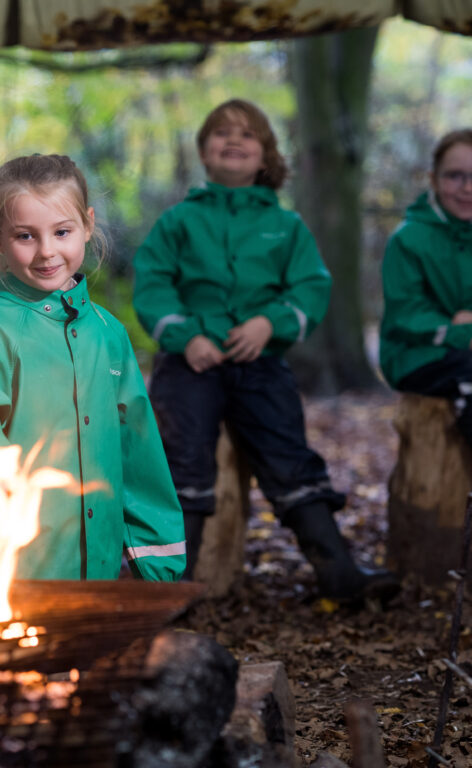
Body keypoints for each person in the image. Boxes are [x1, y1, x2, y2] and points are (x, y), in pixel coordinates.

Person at [133, 98, 399, 601]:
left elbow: (309, 287)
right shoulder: (179, 221)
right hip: (190, 362)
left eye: (247, 134)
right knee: (181, 459)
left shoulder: (287, 226)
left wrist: (268, 324)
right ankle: (168, 585)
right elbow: (153, 285)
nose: (233, 139)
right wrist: (185, 335)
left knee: (288, 455)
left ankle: (337, 571)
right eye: (221, 133)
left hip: (260, 362)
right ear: (205, 153)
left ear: (265, 156)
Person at [0, 153, 185, 581]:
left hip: (98, 568)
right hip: (13, 570)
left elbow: (138, 449)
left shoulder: (108, 333)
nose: (47, 251)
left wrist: (157, 564)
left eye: (62, 231)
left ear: (88, 225)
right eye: (25, 236)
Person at [380, 128, 472, 447]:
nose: (468, 188)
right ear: (433, 180)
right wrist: (461, 331)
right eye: (455, 176)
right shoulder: (409, 239)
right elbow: (407, 313)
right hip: (416, 355)